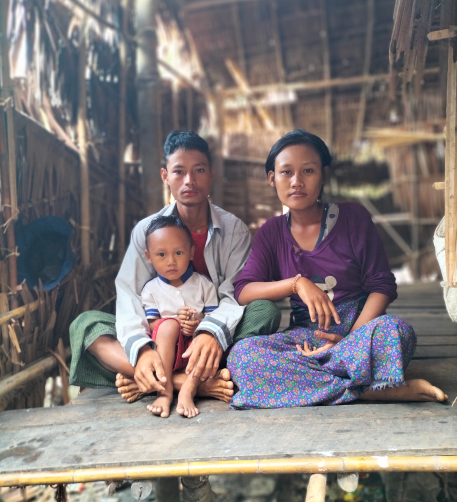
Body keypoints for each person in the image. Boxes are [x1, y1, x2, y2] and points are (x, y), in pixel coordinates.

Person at [227, 129, 448, 409]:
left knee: (396, 332)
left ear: (323, 175)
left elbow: (381, 286)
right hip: (308, 338)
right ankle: (371, 391)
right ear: (272, 179)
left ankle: (310, 385)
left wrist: (348, 339)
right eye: (286, 173)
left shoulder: (353, 218)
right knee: (242, 356)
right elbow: (244, 290)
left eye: (308, 170)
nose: (297, 182)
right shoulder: (271, 232)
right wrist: (296, 283)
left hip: (360, 331)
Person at [69, 131, 281, 404]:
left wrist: (210, 333)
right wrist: (143, 350)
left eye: (199, 170)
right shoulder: (147, 230)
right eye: (179, 171)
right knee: (85, 325)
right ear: (164, 176)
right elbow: (129, 294)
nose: (189, 181)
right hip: (158, 337)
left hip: (207, 336)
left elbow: (235, 293)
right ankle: (186, 382)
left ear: (212, 173)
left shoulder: (234, 230)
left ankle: (145, 378)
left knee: (265, 311)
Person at [141, 215, 219, 418]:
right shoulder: (151, 289)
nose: (171, 261)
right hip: (167, 353)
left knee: (206, 338)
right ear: (148, 257)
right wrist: (176, 321)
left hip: (195, 353)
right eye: (161, 255)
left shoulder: (204, 285)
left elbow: (213, 319)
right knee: (168, 327)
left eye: (178, 252)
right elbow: (152, 325)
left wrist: (197, 326)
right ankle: (164, 392)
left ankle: (188, 389)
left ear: (192, 252)